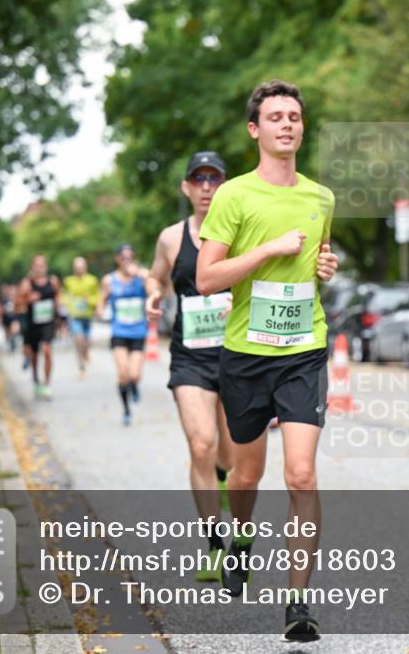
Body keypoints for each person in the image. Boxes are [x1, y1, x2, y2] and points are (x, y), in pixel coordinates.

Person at [197, 80, 339, 641]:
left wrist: (327, 267)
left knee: (301, 473)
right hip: (245, 355)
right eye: (275, 116)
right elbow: (208, 278)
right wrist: (266, 251)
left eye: (295, 116)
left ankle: (297, 603)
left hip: (304, 348)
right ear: (255, 129)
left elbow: (318, 259)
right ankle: (240, 537)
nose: (287, 124)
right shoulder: (233, 196)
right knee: (246, 474)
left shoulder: (321, 197)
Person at [146, 150, 234, 581]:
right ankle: (216, 545)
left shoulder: (243, 233)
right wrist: (152, 292)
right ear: (186, 187)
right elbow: (156, 275)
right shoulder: (170, 237)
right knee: (200, 443)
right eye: (197, 180)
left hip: (238, 356)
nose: (205, 187)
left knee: (230, 453)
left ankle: (221, 476)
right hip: (191, 357)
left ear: (224, 185)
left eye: (213, 179)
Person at [98, 245, 148, 426]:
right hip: (119, 331)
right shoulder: (109, 280)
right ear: (117, 259)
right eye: (123, 257)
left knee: (134, 375)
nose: (126, 260)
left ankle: (134, 386)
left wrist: (144, 275)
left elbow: (158, 287)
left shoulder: (142, 277)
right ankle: (126, 410)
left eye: (130, 257)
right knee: (122, 373)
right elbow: (102, 299)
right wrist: (99, 309)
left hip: (138, 332)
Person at [17, 254, 60, 400]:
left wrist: (59, 315)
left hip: (48, 322)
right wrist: (28, 299)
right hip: (32, 324)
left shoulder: (53, 281)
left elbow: (57, 297)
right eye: (37, 265)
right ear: (32, 267)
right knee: (34, 355)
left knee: (47, 350)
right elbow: (17, 303)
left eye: (42, 265)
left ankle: (47, 384)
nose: (39, 268)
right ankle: (36, 379)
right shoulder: (27, 283)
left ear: (46, 267)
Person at [63, 257, 101, 377]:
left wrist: (91, 301)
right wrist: (67, 304)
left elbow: (98, 296)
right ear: (74, 268)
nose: (79, 269)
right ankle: (81, 366)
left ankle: (85, 353)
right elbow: (64, 295)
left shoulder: (92, 280)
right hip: (75, 316)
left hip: (88, 315)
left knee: (87, 342)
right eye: (77, 267)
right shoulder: (68, 281)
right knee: (79, 339)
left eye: (81, 266)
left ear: (85, 267)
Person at [0, 283, 20, 352]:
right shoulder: (4, 300)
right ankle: (9, 342)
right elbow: (1, 310)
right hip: (6, 318)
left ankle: (13, 342)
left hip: (14, 317)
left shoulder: (18, 299)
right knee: (8, 332)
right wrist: (1, 318)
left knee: (14, 330)